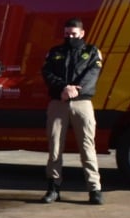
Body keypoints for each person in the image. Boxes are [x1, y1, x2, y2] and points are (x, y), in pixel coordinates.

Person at [40, 17, 104, 205]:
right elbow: (47, 73)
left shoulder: (91, 52)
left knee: (87, 146)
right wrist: (64, 88)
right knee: (54, 146)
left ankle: (94, 189)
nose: (70, 37)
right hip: (58, 102)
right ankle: (53, 188)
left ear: (82, 33)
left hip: (82, 103)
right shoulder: (55, 52)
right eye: (67, 34)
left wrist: (76, 90)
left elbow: (92, 75)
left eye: (73, 34)